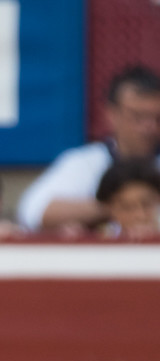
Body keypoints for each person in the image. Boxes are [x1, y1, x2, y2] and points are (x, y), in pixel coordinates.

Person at [18, 64, 160, 234]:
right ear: (112, 113)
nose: (149, 127)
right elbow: (32, 211)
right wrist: (119, 209)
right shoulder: (85, 162)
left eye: (157, 117)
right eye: (138, 116)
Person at [96, 158, 160, 240]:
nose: (140, 215)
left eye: (147, 205)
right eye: (127, 207)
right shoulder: (99, 240)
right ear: (109, 208)